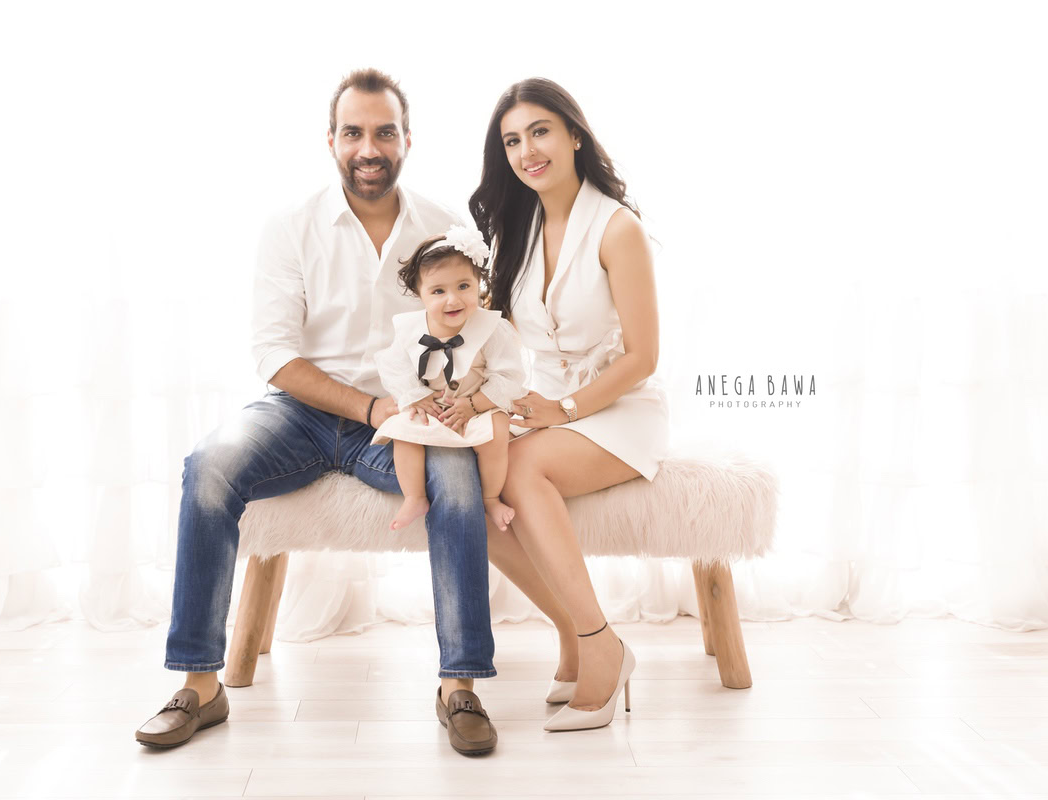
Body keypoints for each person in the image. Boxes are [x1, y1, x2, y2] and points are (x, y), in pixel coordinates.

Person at [135, 68, 499, 756]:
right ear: (331, 141)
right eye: (354, 132)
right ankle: (199, 685)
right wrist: (364, 402)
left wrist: (455, 398)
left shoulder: (443, 225)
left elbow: (477, 329)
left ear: (407, 140)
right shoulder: (291, 227)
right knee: (208, 467)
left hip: (404, 420)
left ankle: (460, 686)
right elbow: (272, 353)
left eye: (384, 132)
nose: (370, 147)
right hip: (300, 411)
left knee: (457, 482)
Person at [470, 77, 669, 731]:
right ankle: (572, 631)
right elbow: (492, 335)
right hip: (550, 406)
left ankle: (601, 647)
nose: (528, 149)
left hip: (620, 409)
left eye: (541, 131)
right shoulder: (517, 229)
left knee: (522, 470)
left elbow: (643, 356)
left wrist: (566, 409)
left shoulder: (618, 229)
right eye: (512, 140)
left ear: (575, 135)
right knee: (471, 486)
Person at [372, 226, 526, 533]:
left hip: (478, 406)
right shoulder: (410, 328)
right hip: (434, 407)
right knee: (405, 431)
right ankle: (415, 496)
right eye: (438, 291)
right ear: (420, 294)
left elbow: (508, 375)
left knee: (497, 431)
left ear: (479, 283)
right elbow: (394, 365)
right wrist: (414, 395)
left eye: (464, 286)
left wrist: (474, 404)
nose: (453, 300)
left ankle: (491, 497)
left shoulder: (491, 328)